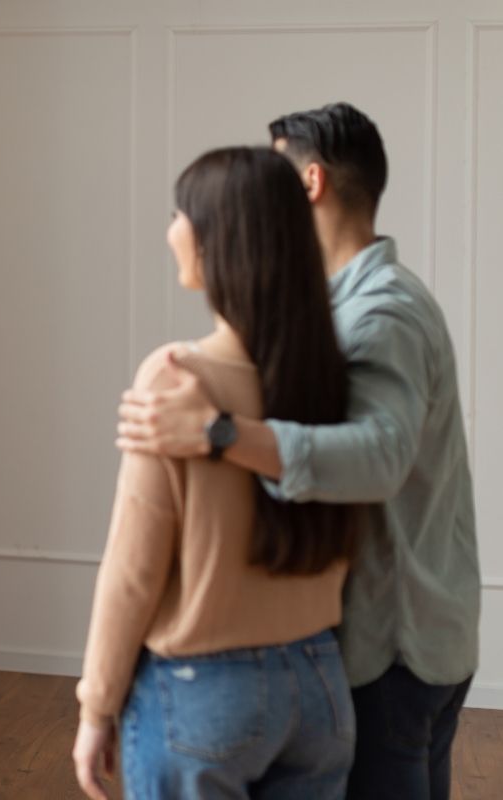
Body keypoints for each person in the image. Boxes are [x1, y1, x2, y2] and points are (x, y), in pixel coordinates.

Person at [116, 103, 480, 800]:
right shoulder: (365, 301)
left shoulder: (379, 313)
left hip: (393, 648)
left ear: (308, 183)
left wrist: (217, 432)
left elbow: (380, 458)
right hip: (421, 636)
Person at [73, 146, 362, 799]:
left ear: (217, 240)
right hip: (319, 684)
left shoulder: (177, 376)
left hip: (206, 694)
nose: (172, 229)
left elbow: (134, 569)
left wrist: (97, 708)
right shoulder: (331, 376)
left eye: (180, 212)